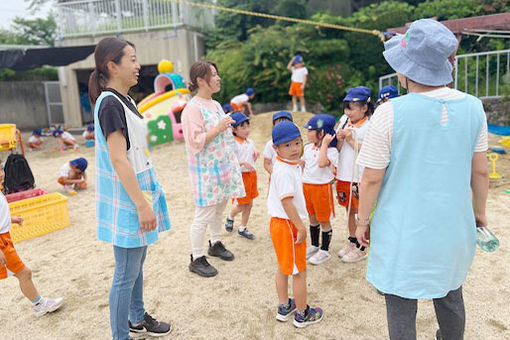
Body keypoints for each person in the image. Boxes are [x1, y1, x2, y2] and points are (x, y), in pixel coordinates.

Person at [355, 19, 489, 340]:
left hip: (404, 229)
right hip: (454, 226)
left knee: (400, 299)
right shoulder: (474, 107)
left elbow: (371, 179)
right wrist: (480, 214)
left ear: (406, 71)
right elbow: (480, 171)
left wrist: (362, 221)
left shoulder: (389, 112)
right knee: (451, 291)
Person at [89, 37, 172, 340]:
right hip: (129, 197)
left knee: (136, 263)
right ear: (112, 65)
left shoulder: (126, 100)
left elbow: (136, 149)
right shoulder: (110, 103)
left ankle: (136, 318)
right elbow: (117, 158)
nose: (138, 66)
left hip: (139, 190)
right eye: (132, 59)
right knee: (125, 273)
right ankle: (120, 335)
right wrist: (141, 204)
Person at [182, 60, 245, 278]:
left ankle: (215, 242)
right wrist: (219, 128)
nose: (218, 78)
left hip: (222, 168)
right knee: (204, 213)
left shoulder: (216, 104)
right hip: (206, 171)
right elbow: (195, 142)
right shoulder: (192, 108)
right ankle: (196, 256)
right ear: (200, 80)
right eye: (214, 75)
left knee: (220, 206)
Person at [268, 121, 323, 328]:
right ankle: (302, 314)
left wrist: (298, 163)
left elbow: (291, 167)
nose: (294, 149)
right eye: (287, 146)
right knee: (299, 271)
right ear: (276, 148)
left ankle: (284, 307)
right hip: (289, 224)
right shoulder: (284, 171)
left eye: (297, 143)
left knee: (283, 267)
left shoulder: (284, 165)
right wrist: (300, 226)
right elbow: (286, 201)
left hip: (278, 223)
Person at [0, 158, 63, 317]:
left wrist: (11, 219)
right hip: (2, 243)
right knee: (24, 273)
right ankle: (39, 304)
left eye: (1, 169)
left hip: (4, 238)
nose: (2, 174)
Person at [335, 86, 373, 263]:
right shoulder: (344, 120)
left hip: (359, 175)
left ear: (364, 108)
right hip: (344, 173)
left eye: (351, 108)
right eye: (346, 107)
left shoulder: (370, 125)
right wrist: (340, 139)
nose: (347, 112)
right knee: (348, 210)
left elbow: (369, 151)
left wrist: (350, 139)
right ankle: (352, 240)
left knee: (361, 212)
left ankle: (362, 246)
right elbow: (337, 147)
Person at [302, 114, 338, 265]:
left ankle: (325, 250)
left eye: (311, 130)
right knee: (312, 217)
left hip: (322, 188)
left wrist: (324, 144)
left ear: (322, 133)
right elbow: (304, 164)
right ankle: (315, 245)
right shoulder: (308, 147)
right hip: (307, 186)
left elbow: (322, 163)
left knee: (324, 219)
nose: (308, 133)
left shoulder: (331, 151)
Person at [225, 112, 259, 240]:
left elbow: (251, 150)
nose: (247, 130)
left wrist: (256, 152)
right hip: (240, 178)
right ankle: (230, 216)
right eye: (243, 127)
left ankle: (242, 228)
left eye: (247, 127)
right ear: (234, 129)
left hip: (252, 176)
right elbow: (229, 163)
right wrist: (243, 162)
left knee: (249, 204)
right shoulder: (232, 143)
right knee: (241, 205)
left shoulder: (250, 142)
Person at [263, 111, 293, 175]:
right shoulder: (270, 144)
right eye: (279, 124)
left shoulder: (295, 143)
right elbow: (266, 163)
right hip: (276, 176)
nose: (283, 127)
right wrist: (274, 174)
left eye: (286, 123)